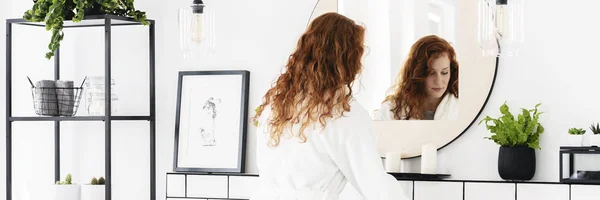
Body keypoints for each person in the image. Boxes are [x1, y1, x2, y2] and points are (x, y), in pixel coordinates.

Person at [251, 13, 409, 200]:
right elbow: (375, 186)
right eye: (358, 52)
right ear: (348, 58)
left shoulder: (275, 106)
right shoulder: (343, 113)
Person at [375, 35, 459, 120]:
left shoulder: (461, 109)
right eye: (431, 73)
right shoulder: (390, 110)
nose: (438, 81)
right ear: (417, 73)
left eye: (444, 72)